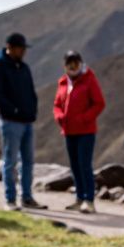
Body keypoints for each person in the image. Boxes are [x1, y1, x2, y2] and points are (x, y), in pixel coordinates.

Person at [0, 32, 46, 211]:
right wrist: (12, 110)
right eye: (20, 48)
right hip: (10, 121)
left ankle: (27, 197)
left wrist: (32, 110)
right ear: (10, 47)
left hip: (27, 121)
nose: (23, 52)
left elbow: (30, 91)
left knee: (28, 161)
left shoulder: (24, 68)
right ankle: (10, 200)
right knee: (10, 161)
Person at [52, 50, 105, 213]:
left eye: (76, 63)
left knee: (84, 164)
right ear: (65, 66)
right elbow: (57, 105)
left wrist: (84, 118)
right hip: (69, 131)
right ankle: (79, 198)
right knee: (75, 166)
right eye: (70, 64)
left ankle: (89, 200)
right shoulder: (62, 82)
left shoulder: (89, 80)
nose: (73, 67)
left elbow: (99, 103)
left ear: (81, 63)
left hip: (86, 131)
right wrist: (59, 117)